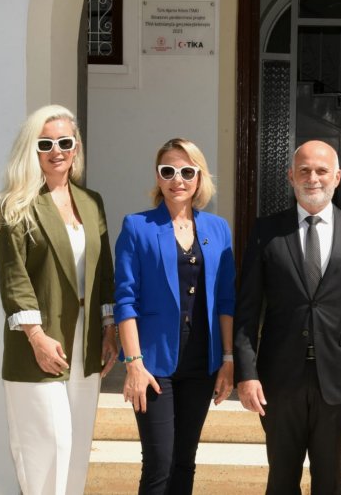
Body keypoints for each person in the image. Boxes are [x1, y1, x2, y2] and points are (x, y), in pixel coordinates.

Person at [234, 140, 341, 495]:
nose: (313, 178)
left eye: (321, 171)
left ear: (338, 177)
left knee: (330, 482)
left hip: (338, 379)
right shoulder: (266, 231)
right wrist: (247, 373)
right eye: (304, 170)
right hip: (278, 380)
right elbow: (247, 310)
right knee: (281, 481)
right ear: (291, 176)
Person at [0, 104, 117, 495]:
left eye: (64, 142)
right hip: (39, 342)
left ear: (76, 147)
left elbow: (104, 272)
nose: (56, 151)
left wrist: (109, 327)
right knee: (50, 445)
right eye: (45, 144)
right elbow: (14, 278)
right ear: (32, 149)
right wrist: (35, 336)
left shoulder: (91, 202)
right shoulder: (16, 204)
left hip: (86, 343)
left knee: (77, 446)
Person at [114, 138, 236, 495]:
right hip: (152, 364)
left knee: (184, 461)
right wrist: (134, 364)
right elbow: (125, 300)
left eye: (186, 171)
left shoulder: (218, 229)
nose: (177, 179)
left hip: (202, 362)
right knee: (159, 464)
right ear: (158, 177)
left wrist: (228, 359)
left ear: (199, 177)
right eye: (168, 171)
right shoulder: (137, 226)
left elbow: (226, 300)